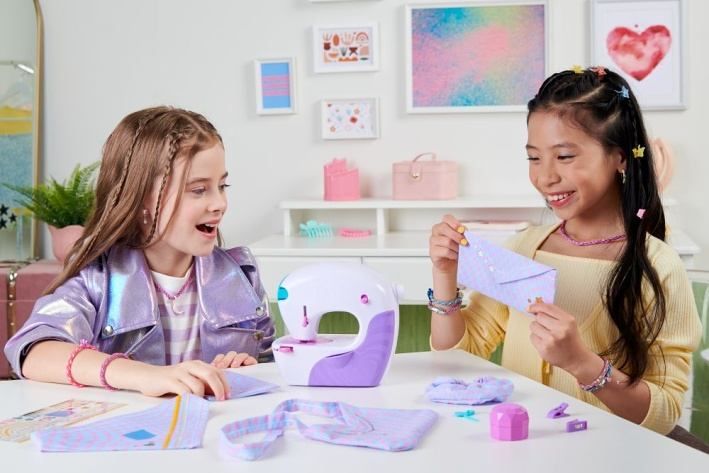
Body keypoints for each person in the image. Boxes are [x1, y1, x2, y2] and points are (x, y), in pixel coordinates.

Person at [428, 67, 701, 434]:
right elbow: (456, 361)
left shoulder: (657, 266)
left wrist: (581, 363)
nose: (545, 177)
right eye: (534, 158)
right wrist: (445, 275)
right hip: (522, 450)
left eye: (565, 156)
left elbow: (665, 413)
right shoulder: (524, 248)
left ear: (620, 157)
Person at [4, 106, 274, 400]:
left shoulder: (242, 276)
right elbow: (33, 351)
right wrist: (145, 375)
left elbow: (269, 364)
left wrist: (246, 367)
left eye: (222, 186)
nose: (220, 203)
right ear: (142, 198)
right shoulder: (97, 279)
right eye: (198, 190)